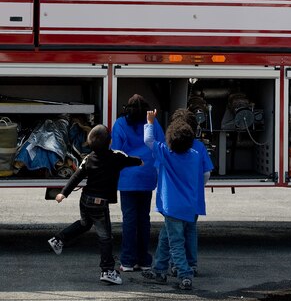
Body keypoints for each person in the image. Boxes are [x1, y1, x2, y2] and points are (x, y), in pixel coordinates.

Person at [47, 124, 143, 285]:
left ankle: (59, 239)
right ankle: (107, 271)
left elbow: (76, 177)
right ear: (110, 142)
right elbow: (130, 160)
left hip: (85, 200)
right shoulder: (116, 157)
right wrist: (140, 161)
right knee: (106, 237)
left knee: (85, 223)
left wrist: (63, 193)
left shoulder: (88, 158)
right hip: (99, 203)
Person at [143, 110, 203, 291]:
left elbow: (148, 141)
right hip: (189, 207)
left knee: (175, 243)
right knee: (165, 237)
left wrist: (150, 122)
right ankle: (159, 270)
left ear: (170, 140)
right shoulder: (195, 156)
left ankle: (185, 275)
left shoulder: (166, 154)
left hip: (172, 208)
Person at [111, 94, 164, 272]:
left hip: (127, 179)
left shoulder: (120, 123)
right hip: (147, 176)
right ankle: (145, 260)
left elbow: (115, 151)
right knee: (144, 220)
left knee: (129, 220)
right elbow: (161, 144)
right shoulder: (152, 123)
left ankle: (127, 261)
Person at [169, 108, 214, 276]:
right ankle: (192, 264)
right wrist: (196, 188)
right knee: (190, 231)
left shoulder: (170, 146)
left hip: (174, 201)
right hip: (194, 200)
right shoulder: (199, 146)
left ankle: (177, 265)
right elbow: (206, 173)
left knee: (175, 235)